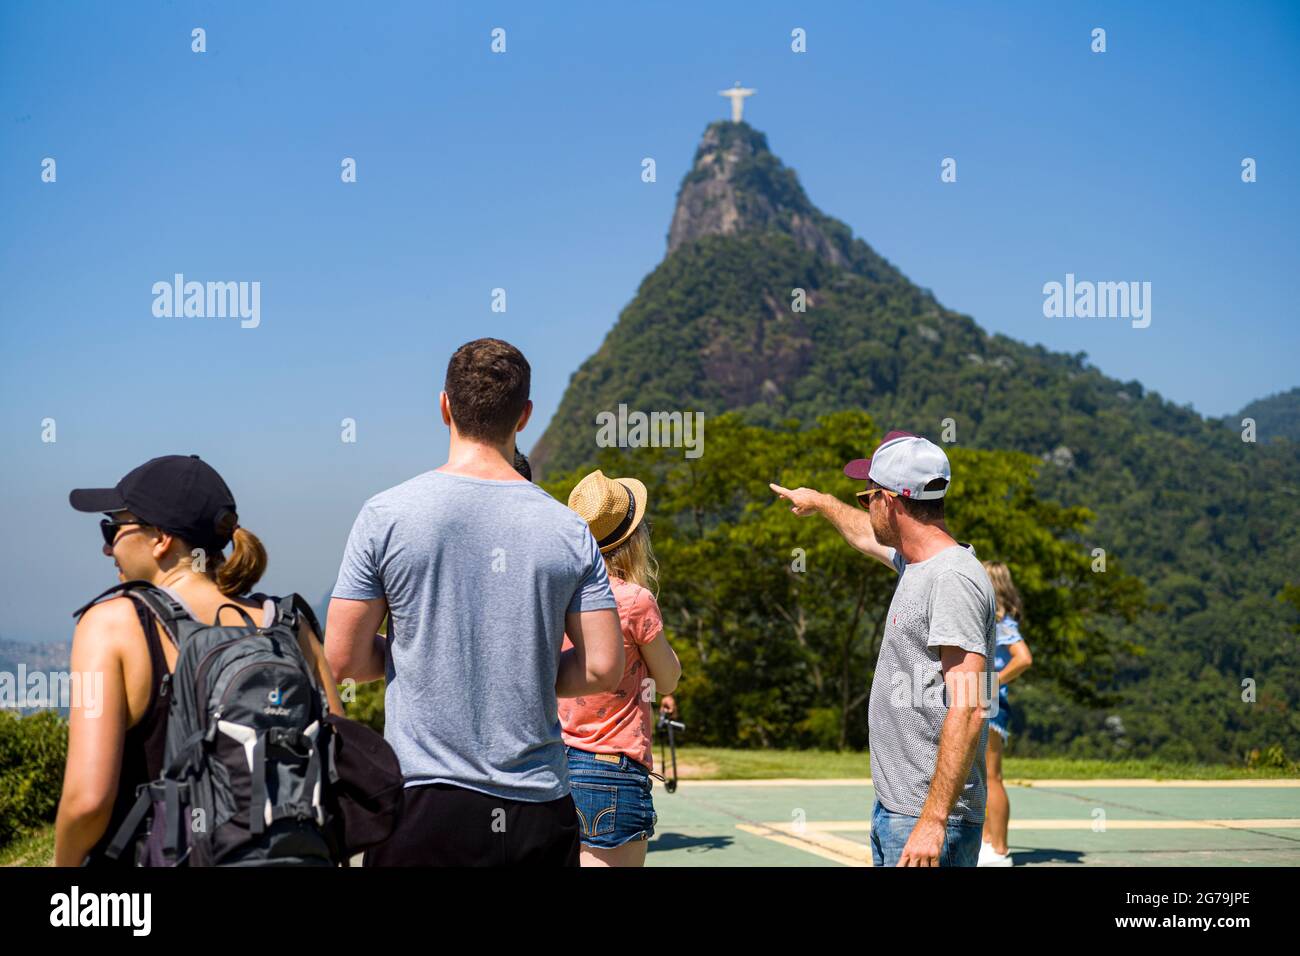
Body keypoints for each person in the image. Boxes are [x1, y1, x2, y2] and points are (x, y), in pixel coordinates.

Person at [325, 338, 625, 867]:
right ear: (525, 415)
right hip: (537, 804)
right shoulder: (569, 530)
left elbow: (343, 658)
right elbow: (603, 667)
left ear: (445, 407)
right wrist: (525, 667)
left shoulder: (387, 514)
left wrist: (417, 656)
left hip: (420, 804)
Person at [55, 454, 344, 867]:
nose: (106, 547)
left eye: (112, 527)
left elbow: (87, 801)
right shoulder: (290, 625)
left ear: (160, 539)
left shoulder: (112, 624)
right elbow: (342, 767)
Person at [770, 430, 996, 867]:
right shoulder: (918, 563)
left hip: (927, 820)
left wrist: (933, 821)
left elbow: (970, 706)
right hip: (900, 810)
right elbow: (863, 535)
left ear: (890, 501)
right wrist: (821, 502)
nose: (864, 505)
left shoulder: (951, 580)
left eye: (865, 496)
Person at [561, 470, 681, 866]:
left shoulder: (557, 592)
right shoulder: (635, 600)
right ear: (632, 540)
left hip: (553, 765)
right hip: (611, 770)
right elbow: (668, 678)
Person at [978, 560, 1032, 867]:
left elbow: (1023, 658)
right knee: (982, 778)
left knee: (991, 776)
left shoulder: (1001, 622)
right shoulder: (995, 619)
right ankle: (987, 842)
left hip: (990, 702)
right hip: (985, 701)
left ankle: (999, 850)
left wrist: (992, 681)